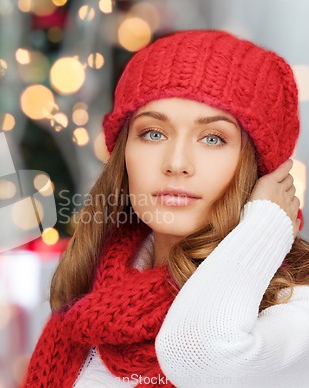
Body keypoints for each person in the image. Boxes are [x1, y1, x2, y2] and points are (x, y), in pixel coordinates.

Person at [22, 30, 309, 388]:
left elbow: (202, 358)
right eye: (154, 133)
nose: (176, 163)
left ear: (261, 170)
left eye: (213, 138)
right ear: (124, 152)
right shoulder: (89, 302)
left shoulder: (295, 310)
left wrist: (264, 224)